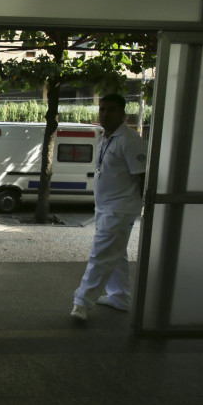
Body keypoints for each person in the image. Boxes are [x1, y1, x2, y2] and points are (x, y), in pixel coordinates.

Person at [71, 93, 147, 321]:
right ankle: (120, 297)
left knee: (101, 254)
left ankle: (82, 302)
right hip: (105, 207)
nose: (104, 114)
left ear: (123, 114)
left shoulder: (131, 140)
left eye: (111, 110)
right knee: (117, 254)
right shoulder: (105, 138)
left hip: (120, 209)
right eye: (102, 109)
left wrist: (146, 207)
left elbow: (143, 177)